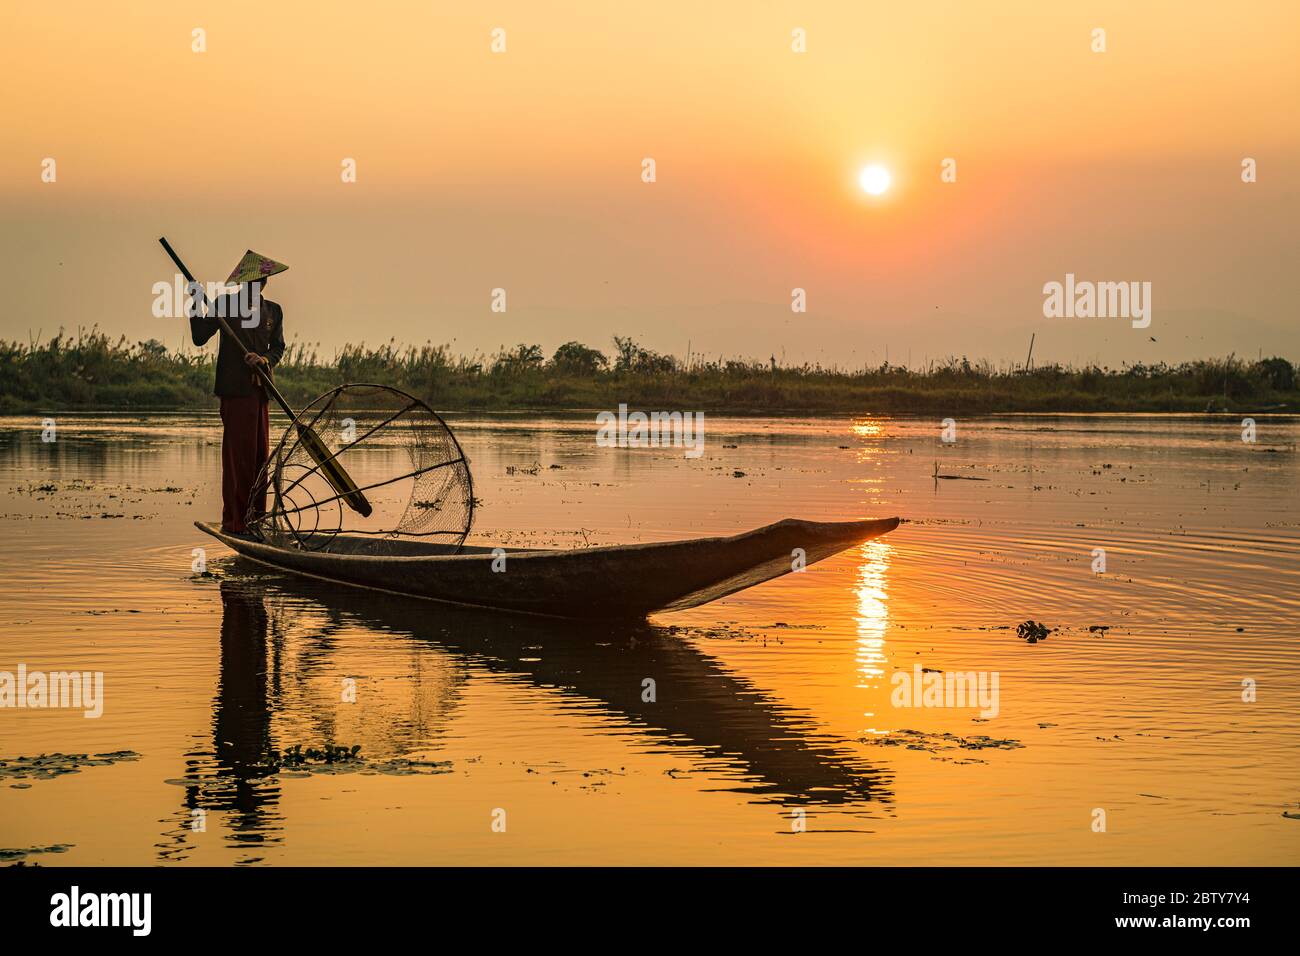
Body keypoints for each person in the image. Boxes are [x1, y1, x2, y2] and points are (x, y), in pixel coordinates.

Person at [189, 250, 288, 537]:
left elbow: (278, 348)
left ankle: (257, 521)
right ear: (244, 283)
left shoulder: (274, 311)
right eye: (255, 280)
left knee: (259, 460)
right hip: (235, 393)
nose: (260, 285)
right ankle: (236, 522)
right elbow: (198, 337)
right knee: (238, 460)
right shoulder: (225, 305)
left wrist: (264, 360)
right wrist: (196, 301)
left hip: (261, 393)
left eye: (263, 280)